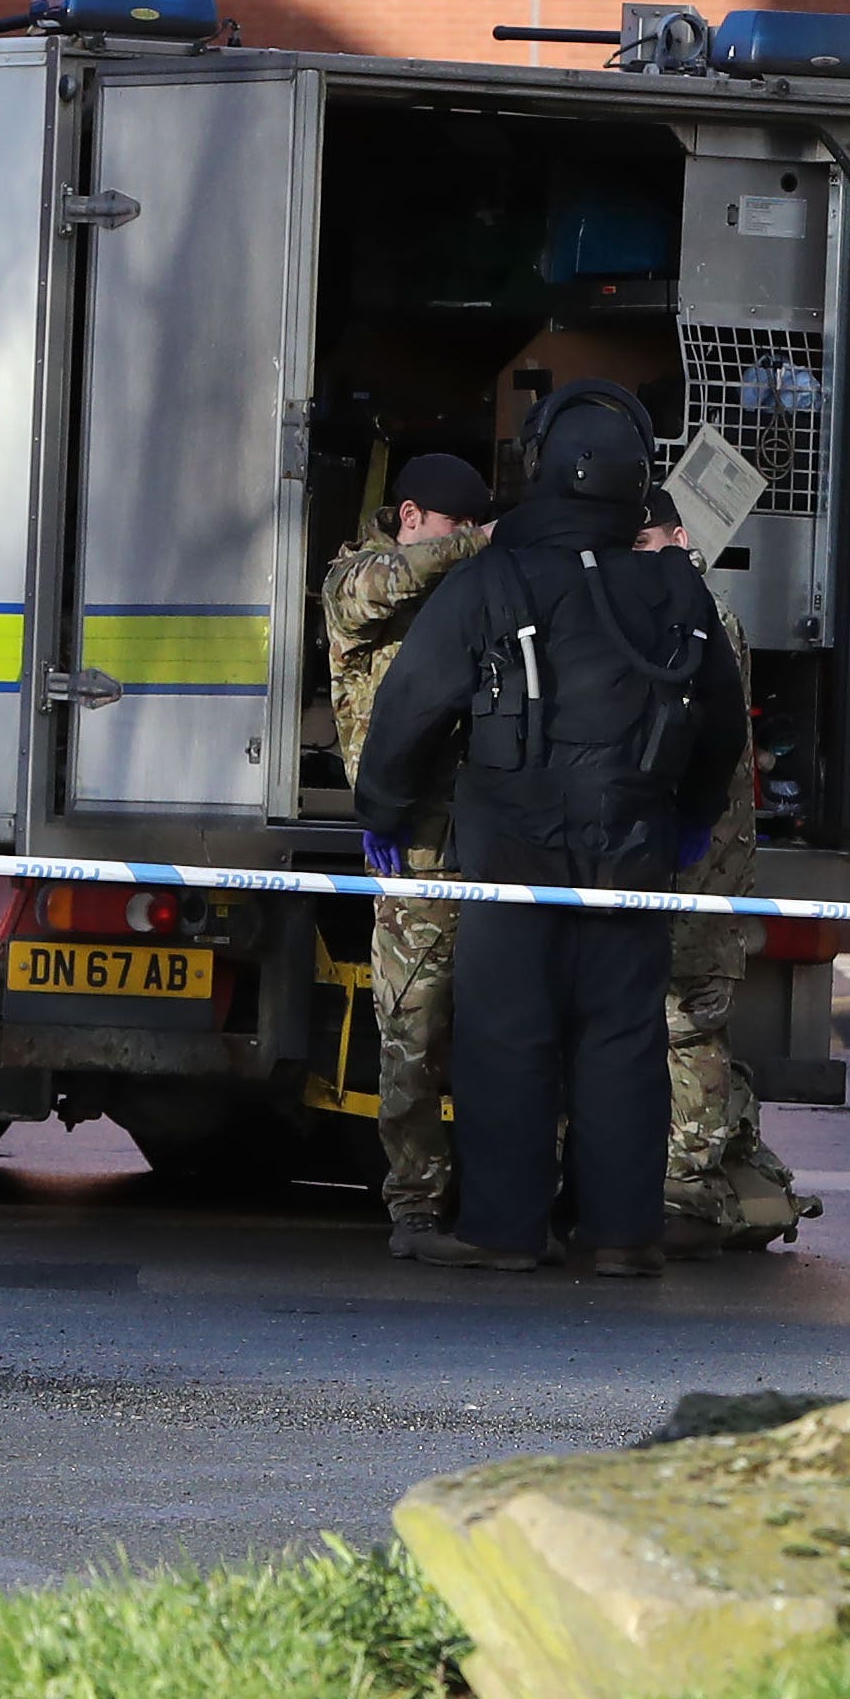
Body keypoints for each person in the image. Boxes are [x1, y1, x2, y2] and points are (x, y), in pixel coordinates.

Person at [353, 381, 747, 1278]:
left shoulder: (493, 579)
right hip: (633, 854)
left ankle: (503, 1232)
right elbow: (722, 724)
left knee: (507, 1041)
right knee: (622, 1045)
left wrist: (382, 808)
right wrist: (688, 821)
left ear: (539, 466)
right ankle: (619, 1236)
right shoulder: (676, 592)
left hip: (511, 859)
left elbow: (413, 701)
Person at [632, 491, 821, 1255]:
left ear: (680, 538)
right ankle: (696, 1169)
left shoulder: (704, 622)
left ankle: (689, 1184)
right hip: (678, 863)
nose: (638, 558)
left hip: (703, 869)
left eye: (646, 543)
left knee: (690, 1024)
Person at [319, 450, 496, 1256]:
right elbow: (397, 578)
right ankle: (416, 1210)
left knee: (495, 1037)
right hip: (414, 850)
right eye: (450, 529)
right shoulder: (357, 579)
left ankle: (496, 1201)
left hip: (483, 842)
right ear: (413, 516)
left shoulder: (459, 592)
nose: (458, 545)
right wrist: (486, 540)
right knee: (412, 1037)